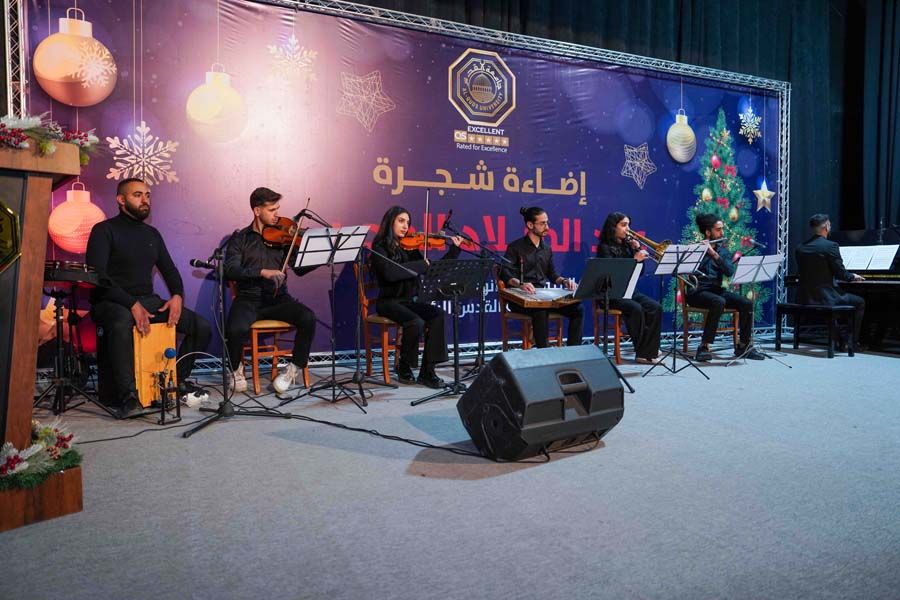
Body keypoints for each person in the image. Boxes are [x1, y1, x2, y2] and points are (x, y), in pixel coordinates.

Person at [86, 178, 212, 418]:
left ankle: (174, 382)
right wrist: (131, 304)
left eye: (147, 195)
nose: (145, 200)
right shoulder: (104, 230)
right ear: (121, 200)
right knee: (121, 322)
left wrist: (177, 296)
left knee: (201, 327)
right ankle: (128, 397)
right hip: (110, 301)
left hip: (146, 299)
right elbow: (98, 277)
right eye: (137, 195)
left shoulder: (152, 233)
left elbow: (170, 271)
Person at [224, 187, 319, 395]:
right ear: (257, 211)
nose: (277, 214)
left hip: (278, 299)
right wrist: (261, 272)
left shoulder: (283, 237)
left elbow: (299, 269)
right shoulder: (240, 239)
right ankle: (235, 369)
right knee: (234, 329)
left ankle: (293, 368)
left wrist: (320, 258)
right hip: (248, 298)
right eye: (271, 210)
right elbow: (231, 270)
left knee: (308, 318)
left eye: (278, 209)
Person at [369, 205, 463, 388]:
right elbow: (390, 273)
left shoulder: (410, 247)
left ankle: (428, 371)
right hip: (388, 302)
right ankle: (403, 365)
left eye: (408, 222)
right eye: (401, 221)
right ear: (390, 221)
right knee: (416, 322)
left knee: (437, 315)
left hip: (408, 301)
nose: (405, 226)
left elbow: (432, 272)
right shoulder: (379, 247)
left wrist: (454, 251)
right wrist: (421, 265)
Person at [500, 206, 583, 348]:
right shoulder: (516, 247)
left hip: (543, 297)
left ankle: (573, 351)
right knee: (540, 310)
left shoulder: (547, 248)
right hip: (521, 299)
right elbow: (505, 272)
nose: (547, 227)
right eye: (542, 223)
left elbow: (552, 274)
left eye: (547, 223)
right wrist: (521, 284)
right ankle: (544, 352)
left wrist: (564, 281)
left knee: (577, 308)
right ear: (530, 225)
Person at [685, 213, 764, 361]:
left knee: (746, 303)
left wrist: (714, 254)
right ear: (708, 232)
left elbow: (729, 271)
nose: (722, 233)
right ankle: (704, 346)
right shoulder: (695, 249)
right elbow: (685, 271)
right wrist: (698, 251)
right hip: (697, 292)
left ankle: (743, 346)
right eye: (718, 229)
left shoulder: (722, 251)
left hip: (716, 291)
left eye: (722, 229)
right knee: (718, 302)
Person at [596, 212, 662, 363]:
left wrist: (637, 252)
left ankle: (649, 350)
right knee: (635, 308)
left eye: (628, 225)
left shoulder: (628, 246)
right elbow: (613, 275)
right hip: (611, 293)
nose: (628, 229)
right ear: (613, 227)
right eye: (624, 225)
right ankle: (643, 352)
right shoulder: (604, 248)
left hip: (630, 290)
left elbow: (639, 273)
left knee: (655, 307)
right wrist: (634, 260)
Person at [794, 213, 865, 347]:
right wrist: (853, 276)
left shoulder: (800, 247)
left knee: (839, 299)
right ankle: (851, 342)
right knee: (860, 302)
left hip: (804, 297)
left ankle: (841, 338)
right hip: (825, 297)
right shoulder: (831, 246)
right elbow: (841, 274)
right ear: (826, 227)